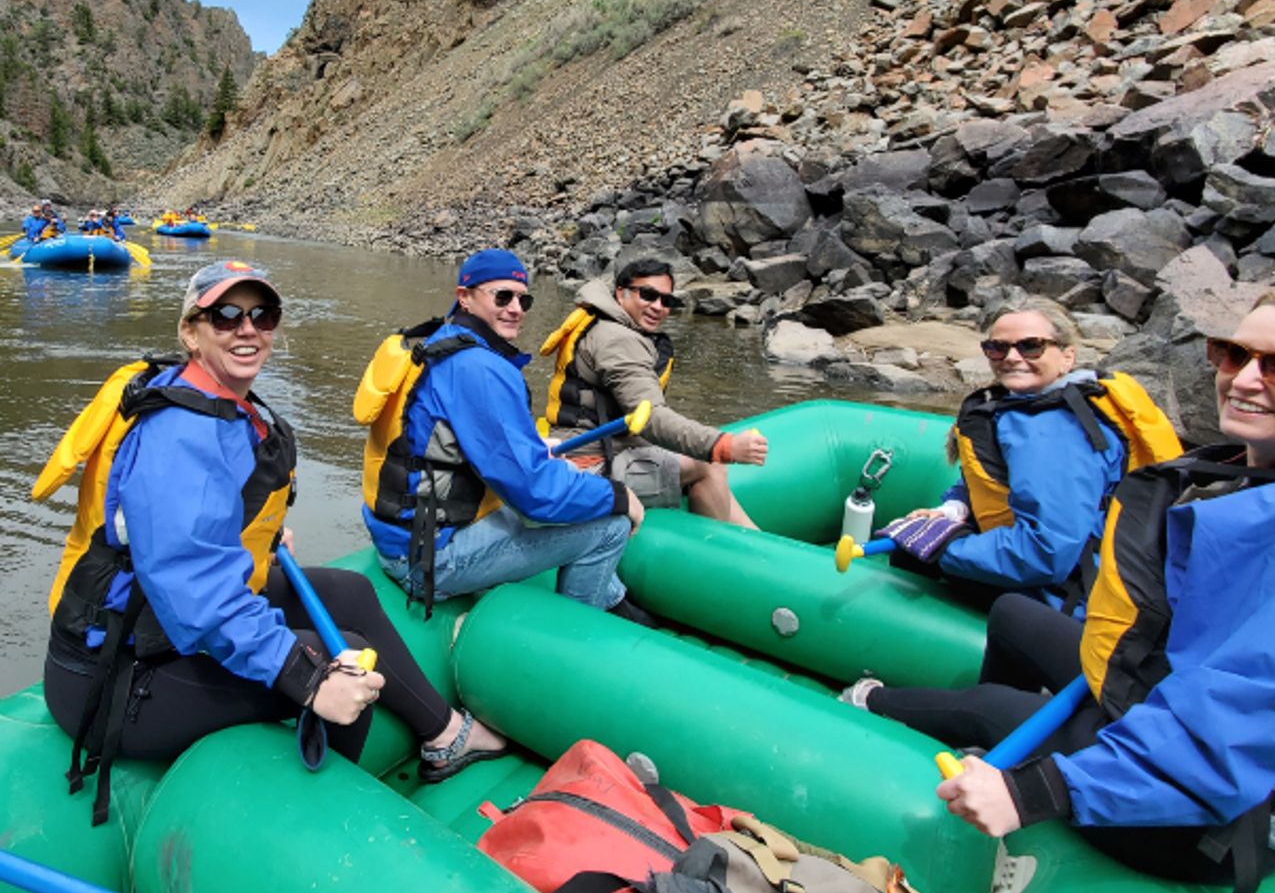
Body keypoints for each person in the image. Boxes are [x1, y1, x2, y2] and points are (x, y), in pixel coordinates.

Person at [916, 272, 1275, 893]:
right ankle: (1035, 727)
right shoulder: (1270, 474)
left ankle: (865, 702)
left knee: (988, 710)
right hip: (1174, 707)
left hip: (1222, 814)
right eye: (1233, 353)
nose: (1244, 378)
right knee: (1017, 615)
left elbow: (1240, 727)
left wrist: (1035, 790)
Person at [42, 258, 507, 826]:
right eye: (226, 315)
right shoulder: (176, 436)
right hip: (117, 676)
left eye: (263, 315)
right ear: (190, 329)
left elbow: (194, 524)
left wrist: (252, 534)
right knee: (342, 670)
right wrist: (308, 680)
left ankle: (444, 735)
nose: (248, 329)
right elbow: (196, 593)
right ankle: (325, 843)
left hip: (158, 626)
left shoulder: (210, 397)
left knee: (350, 593)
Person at [357, 248, 647, 622]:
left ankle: (614, 601)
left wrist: (536, 448)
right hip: (432, 559)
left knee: (569, 487)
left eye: (523, 299)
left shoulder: (443, 342)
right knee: (610, 525)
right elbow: (533, 492)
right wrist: (621, 497)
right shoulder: (478, 367)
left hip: (409, 538)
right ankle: (577, 637)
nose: (516, 309)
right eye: (502, 296)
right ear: (465, 296)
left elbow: (456, 441)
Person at [879, 299, 1179, 611]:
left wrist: (945, 548)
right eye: (997, 348)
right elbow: (993, 482)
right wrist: (955, 507)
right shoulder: (1032, 406)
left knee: (909, 554)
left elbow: (1046, 552)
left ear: (1067, 356)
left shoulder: (1053, 430)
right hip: (1069, 568)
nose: (1011, 358)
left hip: (1069, 596)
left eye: (1031, 346)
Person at [539, 257, 768, 526]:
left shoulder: (605, 324)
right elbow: (650, 418)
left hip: (605, 451)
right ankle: (729, 557)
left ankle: (761, 546)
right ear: (620, 293)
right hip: (591, 464)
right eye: (648, 295)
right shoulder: (617, 340)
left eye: (667, 301)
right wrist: (723, 445)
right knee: (709, 465)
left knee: (702, 462)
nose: (658, 307)